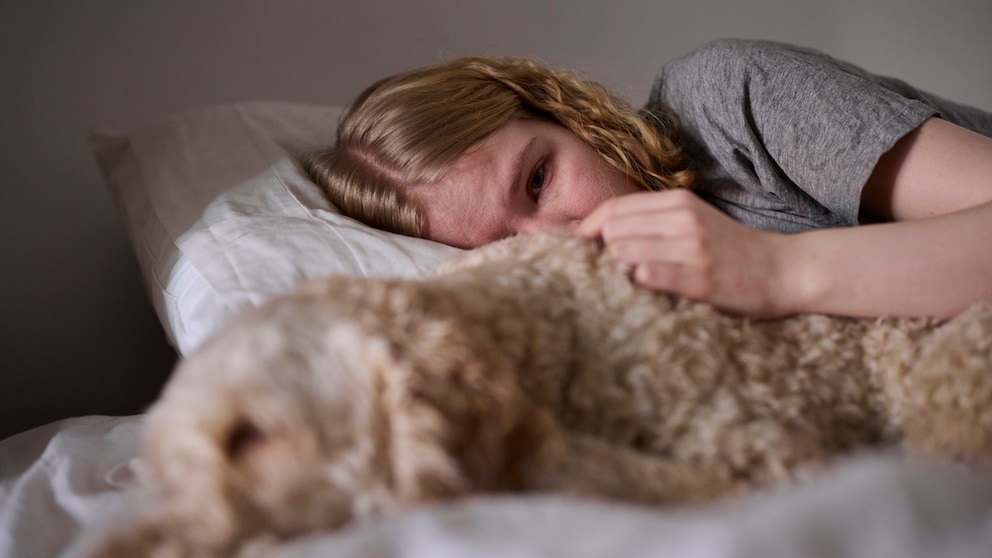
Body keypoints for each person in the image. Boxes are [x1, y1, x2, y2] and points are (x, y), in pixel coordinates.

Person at [304, 39, 992, 320]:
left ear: (558, 109)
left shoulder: (725, 104)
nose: (566, 240)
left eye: (538, 180)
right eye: (502, 247)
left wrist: (777, 271)